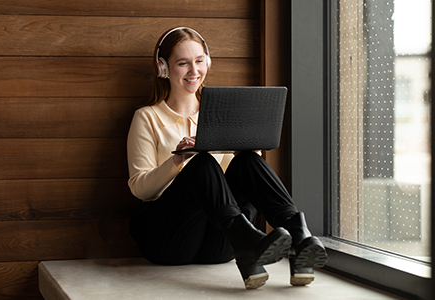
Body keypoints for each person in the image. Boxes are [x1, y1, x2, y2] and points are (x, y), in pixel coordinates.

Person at [124, 27, 327, 289]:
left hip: (219, 245)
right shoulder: (147, 117)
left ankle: (298, 237)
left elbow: (224, 188)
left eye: (199, 61)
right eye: (182, 63)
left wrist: (243, 152)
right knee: (201, 162)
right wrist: (177, 161)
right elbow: (140, 189)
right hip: (169, 242)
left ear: (207, 63)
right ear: (163, 68)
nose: (193, 71)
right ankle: (249, 244)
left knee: (248, 162)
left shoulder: (221, 116)